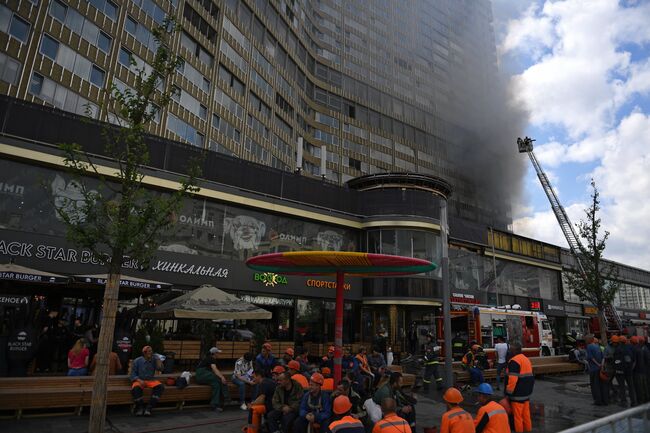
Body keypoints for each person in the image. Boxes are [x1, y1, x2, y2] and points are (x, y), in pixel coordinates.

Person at [505, 343, 534, 432]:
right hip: (526, 393)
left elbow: (512, 380)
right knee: (526, 415)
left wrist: (508, 393)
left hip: (517, 394)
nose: (509, 351)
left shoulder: (514, 361)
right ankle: (528, 430)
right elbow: (530, 376)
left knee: (517, 417)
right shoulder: (526, 359)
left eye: (511, 349)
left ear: (515, 351)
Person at [130, 345, 164, 416]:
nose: (150, 353)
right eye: (148, 351)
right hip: (139, 380)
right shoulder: (137, 361)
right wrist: (139, 380)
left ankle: (149, 408)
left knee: (160, 387)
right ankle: (140, 407)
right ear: (144, 352)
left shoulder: (154, 360)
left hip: (150, 380)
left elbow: (160, 369)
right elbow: (132, 374)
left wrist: (158, 360)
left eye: (151, 351)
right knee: (136, 389)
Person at [195, 346, 228, 411]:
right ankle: (226, 398)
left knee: (216, 385)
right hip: (203, 374)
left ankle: (215, 405)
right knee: (220, 380)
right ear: (214, 353)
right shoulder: (211, 358)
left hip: (201, 377)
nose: (218, 354)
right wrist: (222, 377)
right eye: (217, 353)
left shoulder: (207, 358)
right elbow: (215, 369)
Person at [614, 336, 636, 406]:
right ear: (626, 341)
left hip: (621, 372)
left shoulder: (618, 349)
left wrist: (617, 369)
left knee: (622, 386)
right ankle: (634, 402)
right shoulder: (630, 348)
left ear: (619, 341)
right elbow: (633, 359)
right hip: (629, 371)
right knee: (631, 386)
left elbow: (617, 361)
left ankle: (624, 402)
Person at [586, 335, 608, 406]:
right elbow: (603, 357)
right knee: (601, 385)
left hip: (593, 369)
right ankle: (604, 400)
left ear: (589, 340)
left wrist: (597, 364)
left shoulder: (589, 346)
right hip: (599, 369)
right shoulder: (598, 346)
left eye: (586, 339)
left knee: (595, 386)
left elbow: (591, 358)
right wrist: (601, 365)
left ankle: (598, 401)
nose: (585, 341)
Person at [631, 336, 647, 404]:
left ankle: (640, 401)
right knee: (644, 386)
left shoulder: (635, 349)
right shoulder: (642, 349)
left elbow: (634, 362)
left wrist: (631, 370)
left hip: (637, 372)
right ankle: (646, 399)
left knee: (639, 387)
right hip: (643, 370)